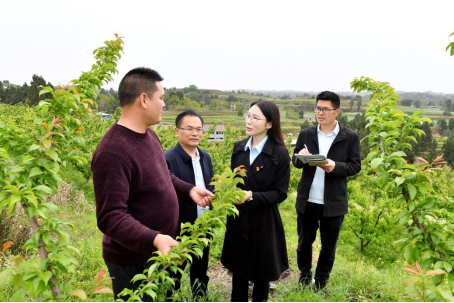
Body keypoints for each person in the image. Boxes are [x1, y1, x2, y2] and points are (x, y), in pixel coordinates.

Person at [91, 67, 213, 301]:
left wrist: (190, 190)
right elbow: (110, 216)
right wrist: (154, 238)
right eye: (162, 98)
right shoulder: (113, 152)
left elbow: (165, 175)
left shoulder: (149, 135)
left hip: (157, 252)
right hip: (133, 260)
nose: (164, 104)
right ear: (144, 99)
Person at [221, 100, 290, 302]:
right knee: (239, 271)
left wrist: (251, 195)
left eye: (255, 117)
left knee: (262, 274)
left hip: (264, 220)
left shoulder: (279, 154)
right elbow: (234, 182)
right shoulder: (239, 148)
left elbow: (280, 193)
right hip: (239, 217)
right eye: (248, 116)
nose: (248, 121)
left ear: (269, 124)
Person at [292, 91, 361, 292]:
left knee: (328, 248)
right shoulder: (307, 133)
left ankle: (320, 284)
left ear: (336, 111)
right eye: (317, 108)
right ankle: (305, 278)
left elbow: (355, 166)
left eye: (325, 109)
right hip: (308, 200)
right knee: (304, 243)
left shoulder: (349, 137)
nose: (320, 113)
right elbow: (295, 161)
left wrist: (334, 167)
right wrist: (301, 157)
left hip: (334, 202)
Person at [165, 110, 214, 299]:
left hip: (204, 225)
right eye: (190, 129)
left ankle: (201, 298)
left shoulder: (205, 157)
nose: (195, 133)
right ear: (177, 131)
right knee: (173, 273)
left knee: (200, 271)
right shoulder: (168, 158)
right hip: (180, 226)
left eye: (199, 129)